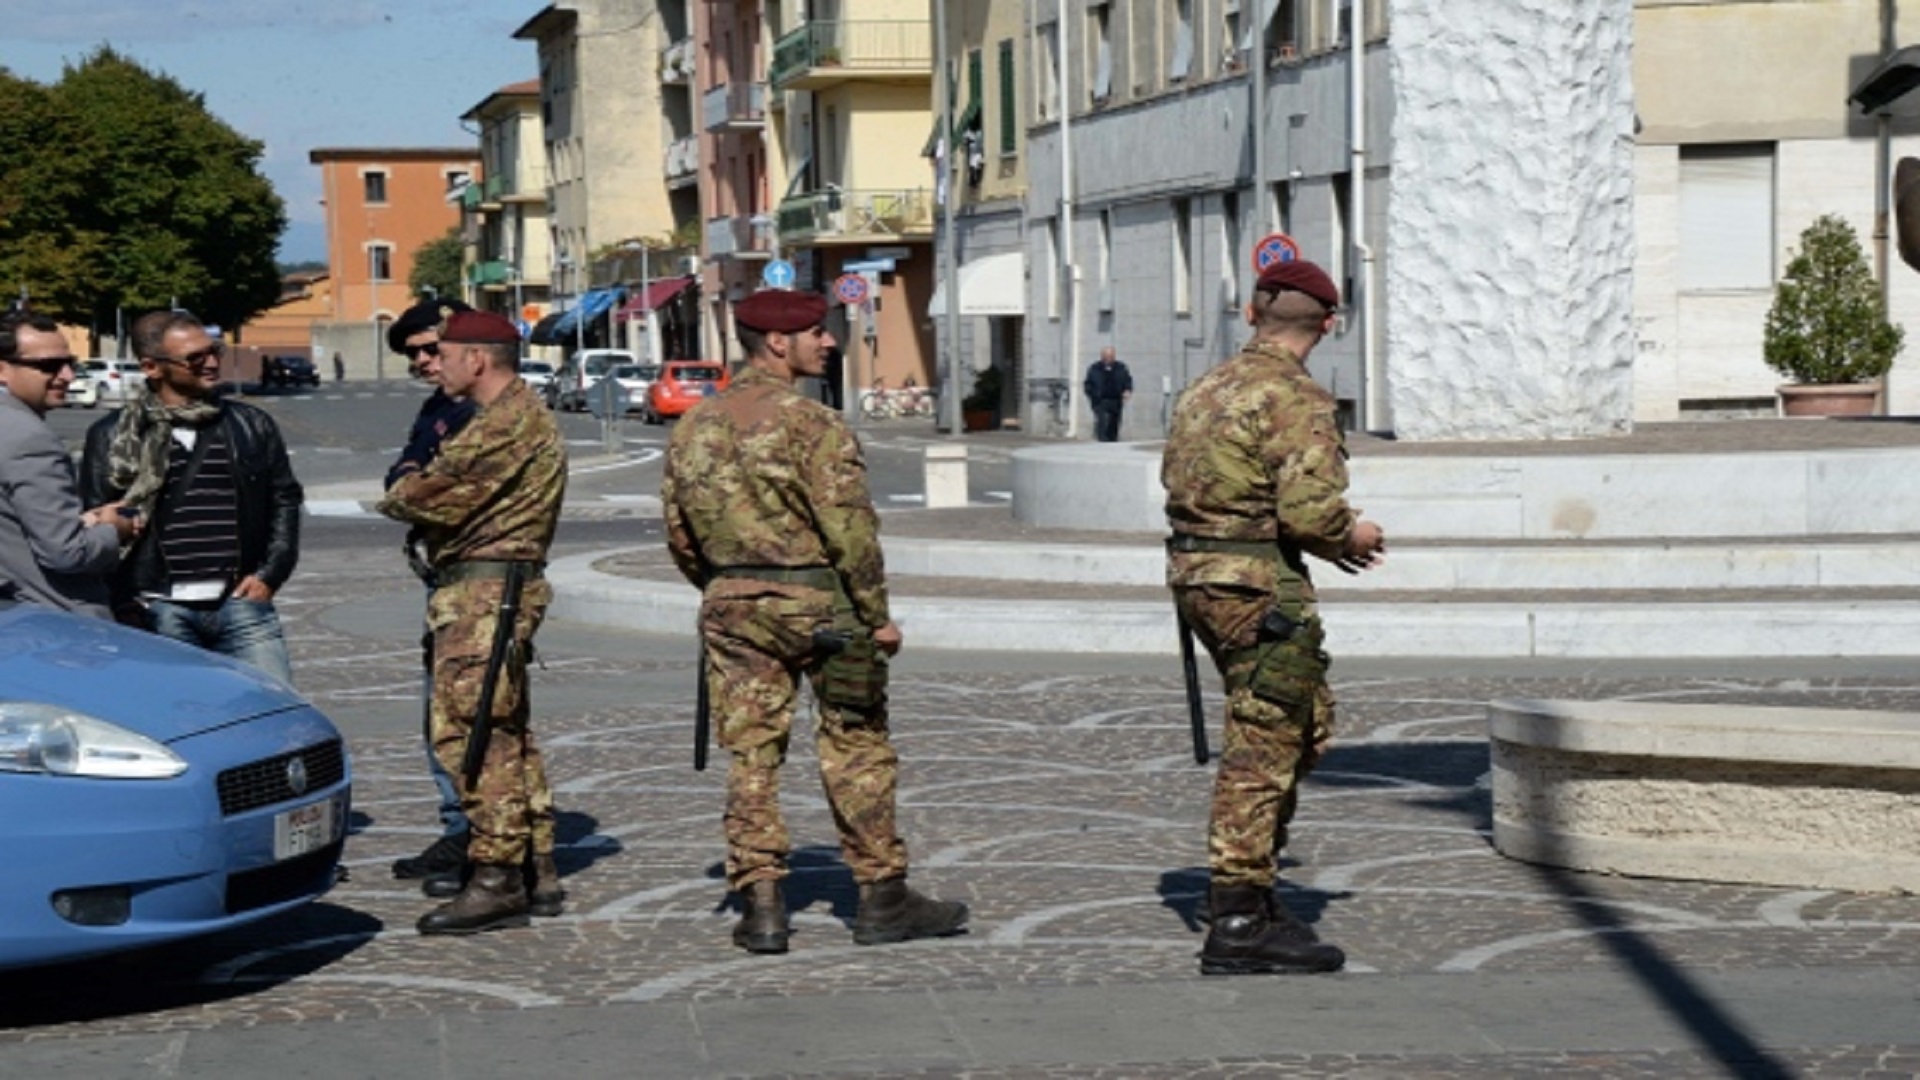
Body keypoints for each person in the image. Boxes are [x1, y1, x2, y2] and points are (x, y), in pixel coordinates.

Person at [662, 288, 968, 956]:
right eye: (816, 332)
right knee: (855, 744)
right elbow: (851, 532)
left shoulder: (694, 425)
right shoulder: (812, 423)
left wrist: (729, 589)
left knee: (751, 755)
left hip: (733, 606)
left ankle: (762, 905)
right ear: (778, 342)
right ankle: (883, 896)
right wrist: (877, 617)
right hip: (821, 606)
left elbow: (680, 536)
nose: (829, 342)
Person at [1160, 259, 1386, 976]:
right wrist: (1352, 536)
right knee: (1265, 745)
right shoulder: (1297, 397)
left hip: (1202, 577)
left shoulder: (1205, 389)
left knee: (1303, 725)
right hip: (1258, 587)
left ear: (1253, 313)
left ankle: (1251, 891)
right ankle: (1235, 919)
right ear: (1328, 323)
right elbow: (1310, 511)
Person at [378, 310, 568, 936]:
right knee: (505, 727)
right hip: (488, 587)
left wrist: (409, 486)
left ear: (477, 360)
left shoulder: (505, 423)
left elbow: (411, 496)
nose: (436, 366)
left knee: (471, 732)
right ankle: (534, 866)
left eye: (446, 354)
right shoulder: (506, 416)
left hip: (486, 591)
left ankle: (496, 876)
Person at [80, 311, 303, 682]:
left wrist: (270, 573)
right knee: (180, 724)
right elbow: (93, 520)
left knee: (275, 716)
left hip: (241, 607)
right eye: (195, 358)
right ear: (152, 367)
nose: (212, 363)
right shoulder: (110, 436)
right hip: (156, 610)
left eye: (213, 350)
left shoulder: (251, 424)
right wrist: (122, 601)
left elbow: (284, 500)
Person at [383, 299, 483, 898]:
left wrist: (412, 483)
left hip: (481, 584)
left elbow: (429, 490)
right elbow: (403, 472)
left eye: (430, 349)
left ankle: (488, 840)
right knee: (440, 712)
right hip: (445, 578)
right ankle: (461, 826)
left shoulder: (488, 413)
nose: (422, 362)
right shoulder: (439, 408)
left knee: (475, 716)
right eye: (413, 354)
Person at [0, 310, 140, 617]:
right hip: (56, 625)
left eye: (70, 363)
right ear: (2, 369)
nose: (67, 375)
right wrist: (115, 529)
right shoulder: (28, 438)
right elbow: (67, 553)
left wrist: (85, 523)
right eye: (48, 366)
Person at [1084, 346, 1132, 442]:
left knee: (1114, 420)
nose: (1109, 358)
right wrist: (1092, 395)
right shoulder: (1095, 368)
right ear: (1102, 356)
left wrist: (1127, 390)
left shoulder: (1121, 367)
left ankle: (1112, 439)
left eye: (1111, 356)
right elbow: (1088, 384)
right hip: (1100, 400)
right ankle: (1102, 439)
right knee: (1102, 420)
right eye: (1106, 356)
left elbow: (1127, 381)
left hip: (1116, 399)